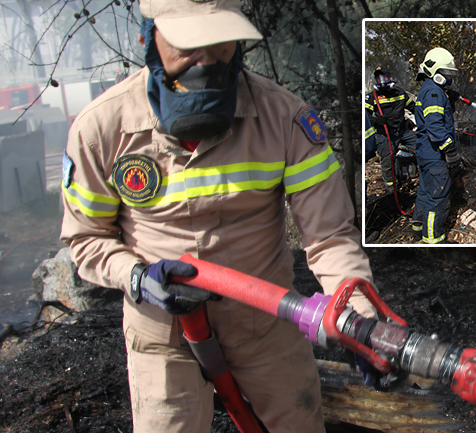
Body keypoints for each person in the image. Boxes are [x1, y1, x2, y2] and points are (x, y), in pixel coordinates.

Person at [59, 1, 380, 431]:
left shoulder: (284, 118)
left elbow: (330, 237)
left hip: (267, 327)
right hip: (162, 338)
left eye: (219, 40)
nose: (206, 59)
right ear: (147, 37)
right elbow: (86, 240)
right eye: (188, 43)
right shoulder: (102, 129)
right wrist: (136, 277)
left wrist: (362, 322)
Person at [412, 48, 462, 244]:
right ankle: (433, 239)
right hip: (436, 156)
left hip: (425, 153)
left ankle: (418, 229)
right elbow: (435, 126)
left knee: (424, 192)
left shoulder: (427, 90)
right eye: (446, 75)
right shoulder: (434, 92)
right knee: (437, 198)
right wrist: (450, 150)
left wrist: (450, 98)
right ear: (433, 71)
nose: (448, 79)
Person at [364, 68, 416, 188]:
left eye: (384, 77)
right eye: (379, 78)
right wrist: (376, 121)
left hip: (403, 131)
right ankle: (392, 189)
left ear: (390, 77)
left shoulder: (400, 93)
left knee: (422, 145)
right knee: (388, 161)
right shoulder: (372, 97)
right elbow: (365, 118)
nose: (382, 81)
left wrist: (410, 121)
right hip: (385, 134)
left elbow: (413, 108)